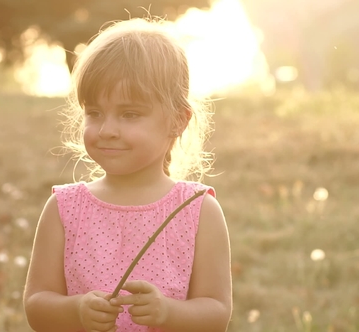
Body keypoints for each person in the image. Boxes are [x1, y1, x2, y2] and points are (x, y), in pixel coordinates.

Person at [23, 17, 232, 332]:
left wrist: (168, 313)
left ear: (178, 120)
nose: (107, 130)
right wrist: (76, 310)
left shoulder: (198, 210)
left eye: (129, 114)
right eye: (94, 113)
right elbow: (37, 304)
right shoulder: (64, 209)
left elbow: (216, 312)